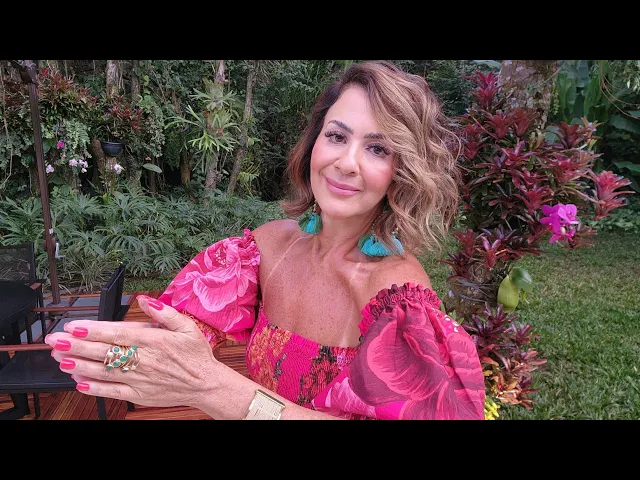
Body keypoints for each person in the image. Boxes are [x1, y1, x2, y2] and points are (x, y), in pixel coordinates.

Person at [45, 60, 486, 420]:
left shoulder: (397, 300)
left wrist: (212, 387)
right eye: (337, 136)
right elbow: (179, 338)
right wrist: (117, 356)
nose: (347, 162)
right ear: (314, 144)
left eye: (378, 148)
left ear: (401, 170)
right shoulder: (267, 247)